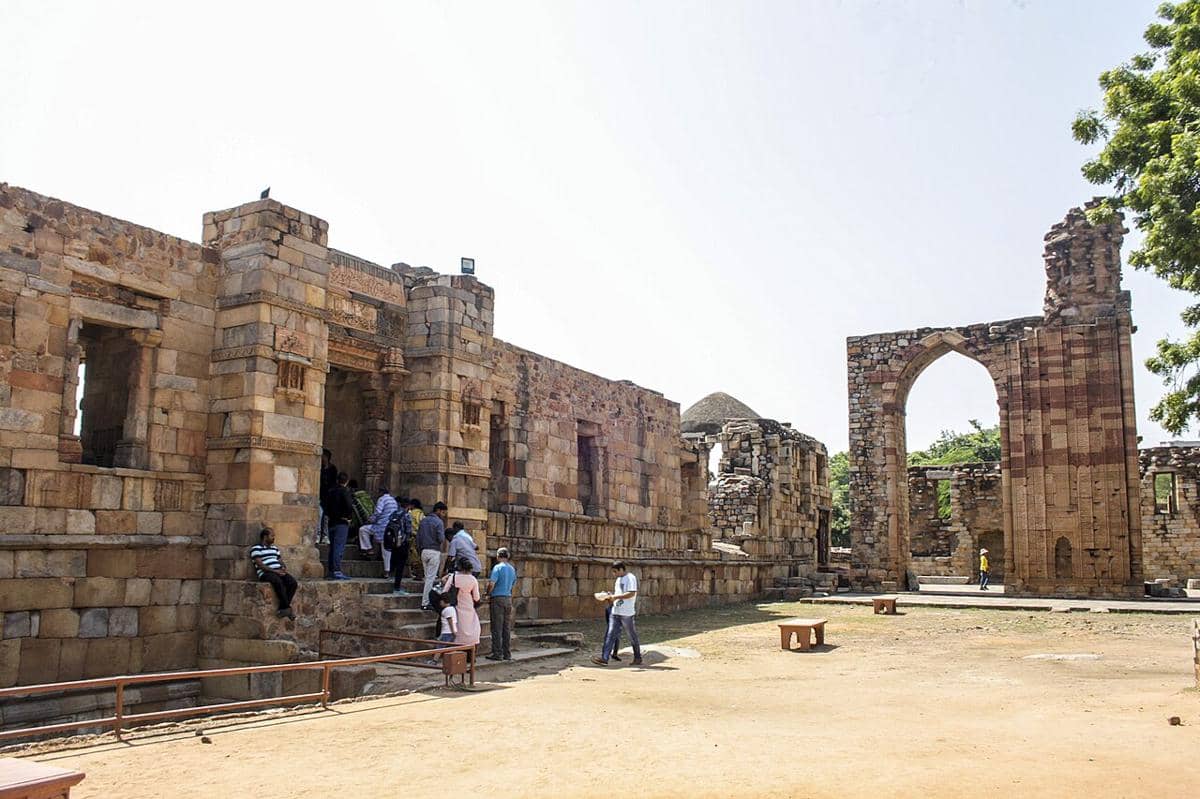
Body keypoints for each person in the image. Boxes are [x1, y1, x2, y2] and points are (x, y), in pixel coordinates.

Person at [592, 561, 642, 666]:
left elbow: (631, 593)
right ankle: (604, 658)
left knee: (632, 635)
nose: (614, 574)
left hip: (626, 612)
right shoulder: (618, 580)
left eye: (615, 571)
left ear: (621, 569)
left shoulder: (630, 578)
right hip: (616, 611)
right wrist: (609, 596)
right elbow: (618, 594)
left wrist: (616, 597)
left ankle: (638, 657)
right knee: (610, 634)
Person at [250, 528, 298, 619]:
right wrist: (275, 571)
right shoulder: (256, 548)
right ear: (265, 537)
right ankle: (287, 608)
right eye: (272, 536)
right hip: (266, 573)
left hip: (278, 571)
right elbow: (260, 565)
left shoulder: (274, 548)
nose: (273, 538)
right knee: (278, 582)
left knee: (293, 583)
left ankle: (283, 608)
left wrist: (283, 568)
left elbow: (280, 561)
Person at [442, 557, 481, 652]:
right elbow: (476, 597)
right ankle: (470, 651)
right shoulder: (473, 579)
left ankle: (455, 649)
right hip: (468, 604)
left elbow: (445, 591)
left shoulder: (454, 577)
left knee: (458, 626)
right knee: (472, 626)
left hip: (456, 604)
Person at [486, 548, 517, 661]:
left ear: (498, 556)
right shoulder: (512, 569)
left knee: (496, 627)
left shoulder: (497, 567)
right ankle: (507, 653)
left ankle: (497, 653)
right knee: (506, 627)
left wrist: (487, 593)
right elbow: (513, 583)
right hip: (508, 598)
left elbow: (492, 583)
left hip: (497, 598)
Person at [417, 501, 448, 609]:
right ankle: (425, 603)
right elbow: (441, 538)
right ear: (438, 511)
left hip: (423, 551)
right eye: (443, 512)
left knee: (428, 578)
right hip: (433, 551)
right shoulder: (438, 522)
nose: (444, 515)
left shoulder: (423, 521)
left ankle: (426, 601)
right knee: (430, 579)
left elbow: (418, 538)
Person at [357, 485, 398, 568]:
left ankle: (368, 548)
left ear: (381, 492)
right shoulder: (393, 500)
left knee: (363, 530)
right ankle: (387, 570)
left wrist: (371, 519)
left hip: (381, 526)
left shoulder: (382, 499)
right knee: (386, 551)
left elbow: (378, 512)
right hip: (391, 528)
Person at [324, 472, 355, 580]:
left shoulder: (330, 492)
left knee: (332, 547)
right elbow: (349, 506)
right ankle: (337, 571)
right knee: (338, 548)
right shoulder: (344, 491)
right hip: (341, 523)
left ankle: (331, 570)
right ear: (346, 481)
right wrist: (348, 517)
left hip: (331, 522)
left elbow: (326, 508)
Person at [388, 499, 413, 596]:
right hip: (402, 543)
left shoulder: (394, 514)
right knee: (401, 566)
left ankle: (390, 576)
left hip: (394, 542)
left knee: (394, 560)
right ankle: (397, 588)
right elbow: (409, 531)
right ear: (408, 506)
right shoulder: (406, 515)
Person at [317, 449, 337, 545]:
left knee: (326, 517)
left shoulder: (332, 469)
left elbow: (333, 483)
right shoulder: (319, 468)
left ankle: (325, 535)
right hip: (320, 495)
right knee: (319, 515)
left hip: (328, 497)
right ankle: (317, 534)